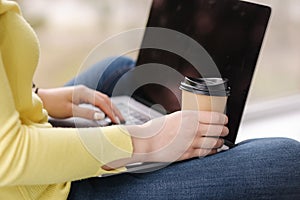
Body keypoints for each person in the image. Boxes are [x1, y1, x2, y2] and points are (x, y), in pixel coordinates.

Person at [0, 1, 299, 199]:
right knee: (286, 160)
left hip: (30, 134)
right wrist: (149, 141)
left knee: (117, 71)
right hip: (43, 189)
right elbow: (8, 156)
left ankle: (188, 147)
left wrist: (35, 98)